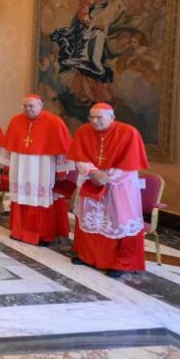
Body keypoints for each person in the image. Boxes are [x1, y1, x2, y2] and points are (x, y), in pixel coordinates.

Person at [68, 103, 149, 278]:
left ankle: (119, 263)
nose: (94, 121)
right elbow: (79, 157)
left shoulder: (129, 133)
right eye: (91, 117)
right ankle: (86, 255)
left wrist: (106, 177)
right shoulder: (83, 132)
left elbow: (129, 166)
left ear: (112, 118)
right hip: (91, 181)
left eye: (99, 118)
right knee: (90, 219)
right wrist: (93, 172)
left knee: (117, 221)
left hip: (119, 186)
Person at [2, 95, 74, 246]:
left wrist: (62, 171)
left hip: (42, 167)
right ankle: (19, 231)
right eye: (25, 106)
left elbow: (62, 148)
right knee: (20, 198)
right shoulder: (16, 120)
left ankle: (40, 235)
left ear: (40, 105)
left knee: (39, 199)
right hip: (19, 167)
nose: (28, 109)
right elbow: (9, 146)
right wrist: (7, 165)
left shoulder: (54, 122)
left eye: (31, 106)